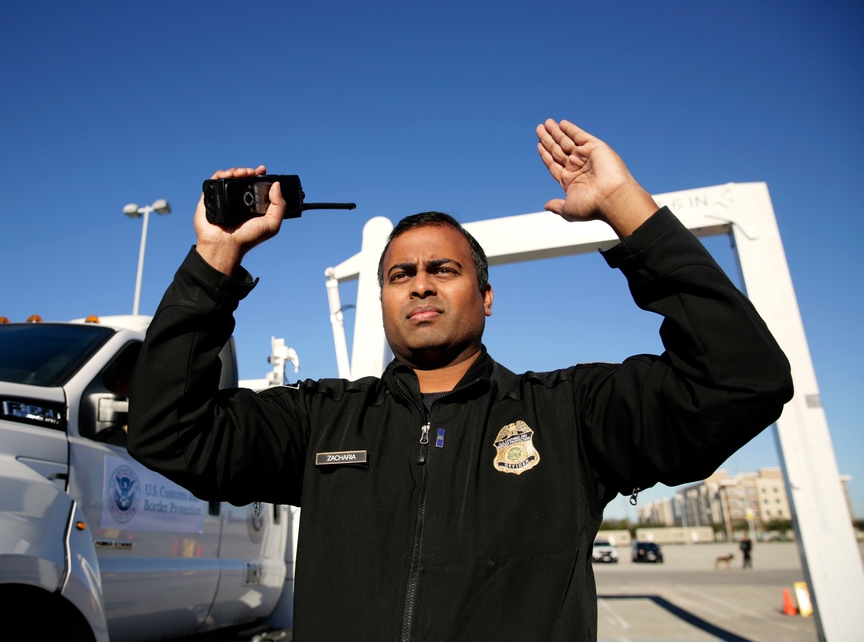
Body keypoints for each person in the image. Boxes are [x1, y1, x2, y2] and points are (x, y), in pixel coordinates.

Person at [127, 119, 793, 640]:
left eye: (443, 269)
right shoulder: (322, 419)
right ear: (383, 300)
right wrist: (214, 258)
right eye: (398, 274)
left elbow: (744, 379)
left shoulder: (570, 414)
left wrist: (625, 206)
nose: (419, 281)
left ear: (487, 295)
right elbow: (167, 433)